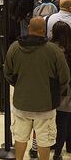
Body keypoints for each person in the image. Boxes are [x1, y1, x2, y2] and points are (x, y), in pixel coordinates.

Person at [4, 16, 70, 160]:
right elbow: (64, 78)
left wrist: (20, 85)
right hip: (46, 105)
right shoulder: (54, 51)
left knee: (20, 137)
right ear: (44, 31)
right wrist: (56, 92)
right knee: (44, 139)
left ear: (28, 29)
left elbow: (8, 73)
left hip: (21, 103)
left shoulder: (15, 47)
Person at [51, 21, 71, 160]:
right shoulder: (69, 50)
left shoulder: (49, 48)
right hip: (67, 91)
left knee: (51, 121)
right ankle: (59, 152)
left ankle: (52, 145)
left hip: (50, 90)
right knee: (65, 121)